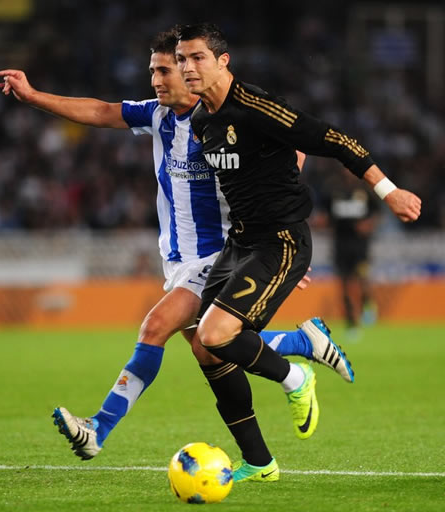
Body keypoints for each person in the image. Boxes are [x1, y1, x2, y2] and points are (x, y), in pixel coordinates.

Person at [0, 30, 354, 483]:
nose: (159, 79)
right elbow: (101, 110)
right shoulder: (158, 115)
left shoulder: (229, 118)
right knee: (210, 352)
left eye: (167, 69)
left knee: (156, 327)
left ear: (194, 72)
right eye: (155, 70)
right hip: (179, 260)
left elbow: (293, 150)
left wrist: (272, 238)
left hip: (221, 252)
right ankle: (267, 445)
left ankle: (98, 429)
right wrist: (32, 97)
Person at [174, 22, 421, 477]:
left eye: (197, 57)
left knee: (214, 334)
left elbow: (333, 139)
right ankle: (259, 461)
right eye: (181, 59)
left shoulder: (256, 106)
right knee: (204, 348)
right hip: (242, 243)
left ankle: (296, 374)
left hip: (281, 239)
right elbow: (276, 160)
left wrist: (389, 192)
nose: (187, 67)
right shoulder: (202, 120)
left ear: (223, 61)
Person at [316, 167, 381, 338]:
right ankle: (351, 323)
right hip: (340, 243)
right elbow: (324, 216)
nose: (347, 171)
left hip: (360, 245)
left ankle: (368, 303)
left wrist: (369, 224)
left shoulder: (365, 191)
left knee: (361, 279)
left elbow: (378, 213)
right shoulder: (333, 191)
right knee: (344, 284)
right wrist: (321, 222)